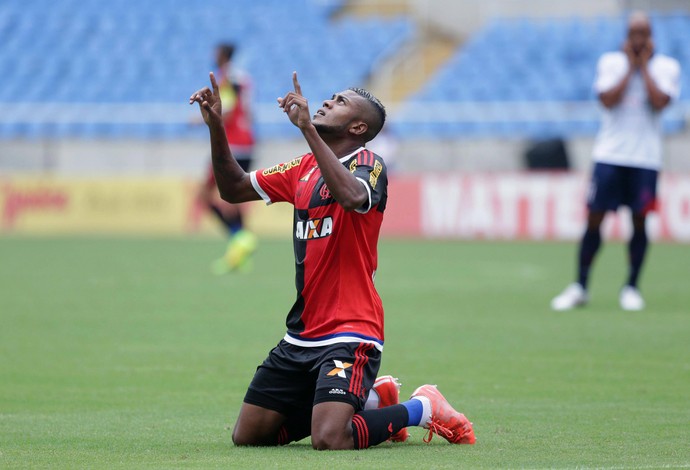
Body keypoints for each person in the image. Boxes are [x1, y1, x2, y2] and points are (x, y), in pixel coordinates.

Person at [189, 71, 476, 449]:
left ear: (358, 127)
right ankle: (374, 399)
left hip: (352, 331)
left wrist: (307, 128)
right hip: (302, 333)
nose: (327, 102)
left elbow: (351, 197)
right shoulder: (301, 169)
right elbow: (232, 188)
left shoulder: (369, 164)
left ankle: (421, 407)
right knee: (249, 436)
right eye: (331, 97)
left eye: (340, 102)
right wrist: (216, 128)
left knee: (330, 438)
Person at [551, 12, 681, 311]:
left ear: (651, 35)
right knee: (595, 217)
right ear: (626, 34)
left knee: (639, 221)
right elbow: (607, 100)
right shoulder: (610, 63)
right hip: (610, 154)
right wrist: (630, 69)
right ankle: (580, 285)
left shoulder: (666, 67)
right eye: (633, 33)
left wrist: (643, 68)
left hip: (645, 158)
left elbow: (659, 103)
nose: (638, 39)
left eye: (643, 33)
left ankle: (632, 287)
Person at [197, 43, 257, 274]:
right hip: (246, 142)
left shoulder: (228, 78)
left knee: (211, 195)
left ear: (222, 54)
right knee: (235, 196)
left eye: (215, 51)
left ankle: (240, 238)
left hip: (231, 145)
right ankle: (239, 250)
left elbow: (229, 109)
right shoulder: (242, 78)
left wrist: (205, 119)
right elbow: (246, 112)